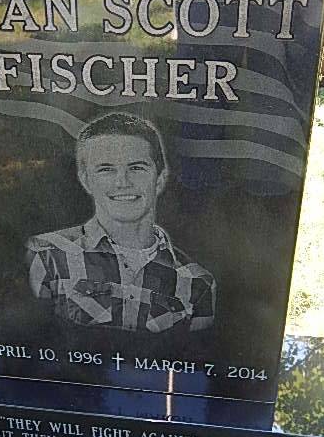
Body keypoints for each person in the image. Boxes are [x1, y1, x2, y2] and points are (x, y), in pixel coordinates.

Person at [26, 112, 216, 333]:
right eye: (106, 169)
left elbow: (195, 351)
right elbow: (30, 341)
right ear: (86, 180)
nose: (122, 182)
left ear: (160, 179)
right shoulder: (46, 255)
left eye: (136, 168)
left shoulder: (197, 282)